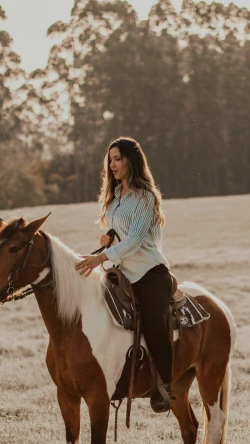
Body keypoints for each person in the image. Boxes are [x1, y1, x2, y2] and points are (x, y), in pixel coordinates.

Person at [75, 137, 174, 412]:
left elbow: (135, 241)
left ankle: (165, 385)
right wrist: (107, 238)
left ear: (132, 160)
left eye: (118, 158)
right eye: (110, 159)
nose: (112, 164)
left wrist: (99, 257)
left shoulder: (146, 197)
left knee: (154, 324)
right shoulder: (113, 198)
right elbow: (120, 237)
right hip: (122, 274)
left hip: (149, 273)